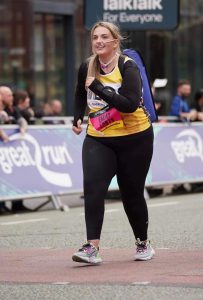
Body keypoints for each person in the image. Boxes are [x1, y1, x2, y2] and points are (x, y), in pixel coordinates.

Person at [71, 21, 155, 264]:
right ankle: (91, 247)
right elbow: (79, 91)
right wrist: (77, 116)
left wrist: (97, 87)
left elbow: (129, 104)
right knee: (94, 189)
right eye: (95, 37)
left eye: (104, 37)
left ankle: (142, 242)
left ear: (115, 41)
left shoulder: (128, 67)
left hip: (135, 138)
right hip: (100, 137)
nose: (98, 41)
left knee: (131, 193)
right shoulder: (87, 66)